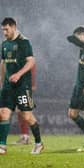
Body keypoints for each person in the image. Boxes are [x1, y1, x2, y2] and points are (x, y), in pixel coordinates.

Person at [0, 17, 43, 154]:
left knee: (26, 116)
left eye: (6, 29)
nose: (4, 33)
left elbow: (31, 62)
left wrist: (19, 74)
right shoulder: (4, 44)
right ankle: (2, 146)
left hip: (22, 86)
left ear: (13, 27)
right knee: (3, 113)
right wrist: (1, 81)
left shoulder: (24, 42)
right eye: (3, 30)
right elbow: (3, 63)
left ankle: (38, 142)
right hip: (8, 86)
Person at [14, 64, 36, 145]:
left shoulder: (27, 57)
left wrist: (33, 84)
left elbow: (32, 68)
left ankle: (26, 137)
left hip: (24, 87)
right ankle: (24, 136)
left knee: (23, 111)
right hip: (18, 86)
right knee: (21, 111)